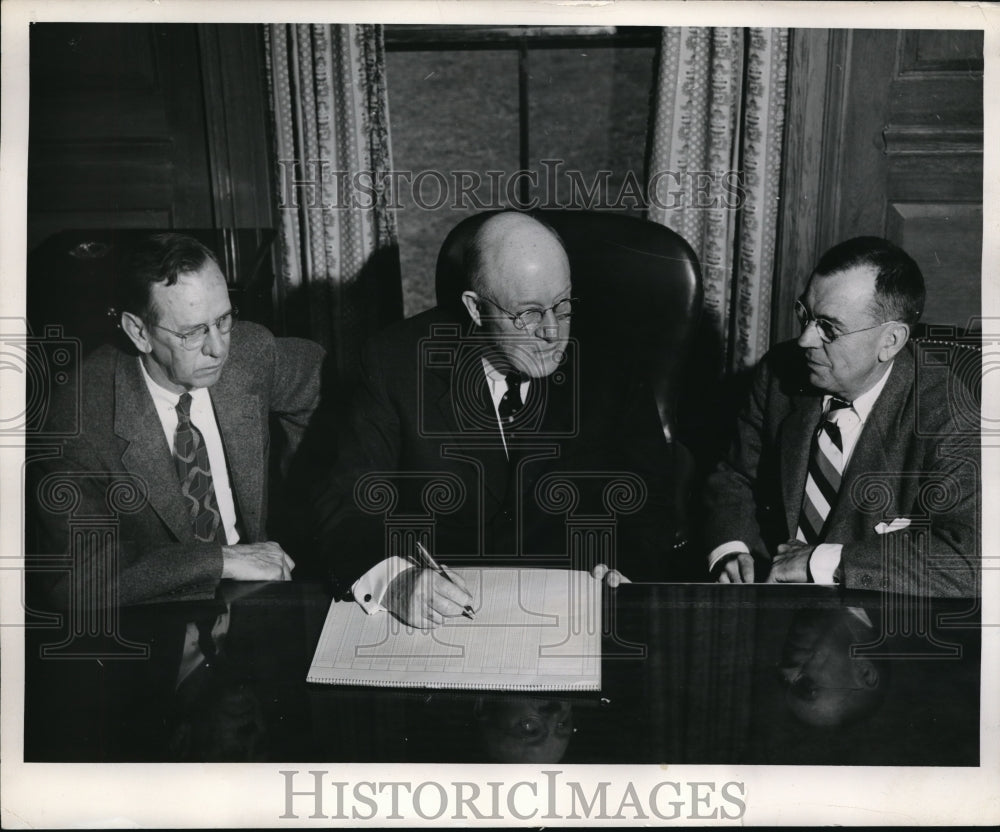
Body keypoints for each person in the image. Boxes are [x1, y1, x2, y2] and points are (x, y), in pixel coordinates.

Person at [307, 211, 679, 628]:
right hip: (440, 618)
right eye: (529, 314)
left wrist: (626, 567)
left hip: (576, 612)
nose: (553, 333)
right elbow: (345, 502)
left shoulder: (611, 362)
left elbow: (651, 496)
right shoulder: (394, 362)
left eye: (563, 305)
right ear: (476, 308)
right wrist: (397, 582)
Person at [30, 233, 325, 609]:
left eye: (223, 320)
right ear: (139, 332)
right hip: (155, 617)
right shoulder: (76, 416)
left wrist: (308, 495)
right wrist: (221, 560)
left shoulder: (252, 354)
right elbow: (74, 577)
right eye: (191, 332)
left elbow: (322, 381)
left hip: (261, 593)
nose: (218, 348)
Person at [704, 236, 978, 597]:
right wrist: (731, 548)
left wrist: (819, 562)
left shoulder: (948, 414)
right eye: (805, 315)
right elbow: (736, 476)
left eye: (829, 329)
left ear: (891, 341)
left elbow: (972, 559)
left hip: (872, 631)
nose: (804, 340)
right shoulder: (780, 372)